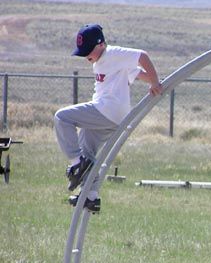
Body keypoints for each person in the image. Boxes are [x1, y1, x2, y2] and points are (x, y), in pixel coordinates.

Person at [54, 24, 162, 212]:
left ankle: (76, 164)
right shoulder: (105, 61)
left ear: (101, 44)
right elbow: (136, 73)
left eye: (88, 51)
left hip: (107, 111)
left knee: (62, 118)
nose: (86, 57)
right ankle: (91, 196)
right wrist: (149, 79)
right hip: (111, 115)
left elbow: (142, 56)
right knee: (87, 149)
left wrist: (156, 82)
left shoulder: (113, 53)